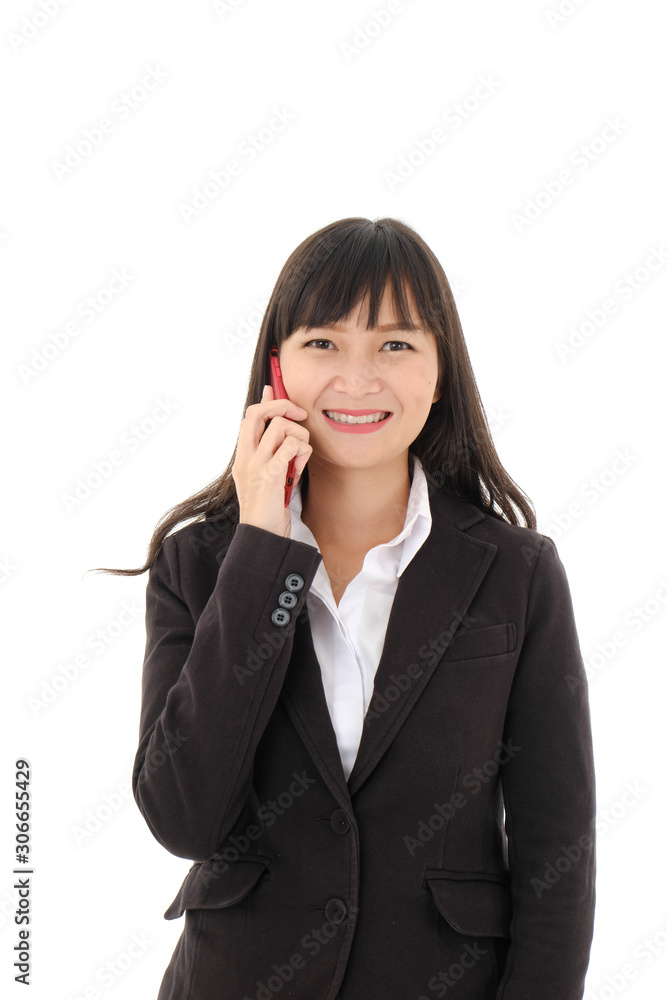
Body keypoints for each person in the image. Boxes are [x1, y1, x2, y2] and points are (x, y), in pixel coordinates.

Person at [97, 217, 596, 999]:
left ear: (440, 373)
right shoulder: (197, 565)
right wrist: (261, 549)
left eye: (395, 345)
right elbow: (183, 818)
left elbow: (554, 850)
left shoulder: (517, 574)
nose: (358, 379)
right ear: (276, 368)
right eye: (322, 344)